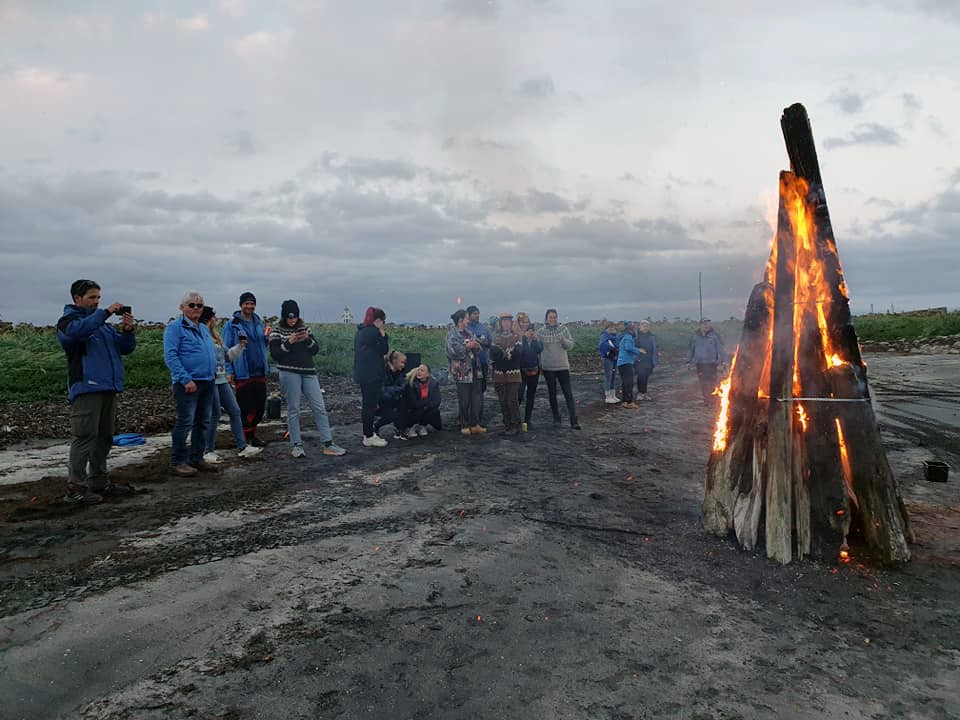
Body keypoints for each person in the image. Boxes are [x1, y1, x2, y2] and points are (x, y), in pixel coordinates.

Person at [55, 279, 137, 503]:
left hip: (108, 387)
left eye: (98, 298)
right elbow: (74, 335)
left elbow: (125, 348)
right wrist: (105, 312)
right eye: (92, 297)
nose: (96, 302)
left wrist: (128, 331)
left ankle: (98, 481)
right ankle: (76, 487)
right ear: (76, 299)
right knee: (84, 436)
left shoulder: (102, 326)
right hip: (87, 387)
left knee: (104, 437)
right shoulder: (68, 322)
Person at [269, 300, 346, 458]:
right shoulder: (276, 331)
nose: (293, 320)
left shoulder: (305, 329)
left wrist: (307, 339)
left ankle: (328, 443)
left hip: (309, 372)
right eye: (290, 317)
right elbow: (275, 354)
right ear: (284, 316)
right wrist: (289, 343)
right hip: (289, 373)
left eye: (295, 317)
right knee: (294, 409)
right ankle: (296, 445)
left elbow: (315, 350)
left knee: (319, 407)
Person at [164, 290, 217, 476]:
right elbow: (170, 356)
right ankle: (178, 461)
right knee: (185, 422)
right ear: (182, 307)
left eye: (199, 305)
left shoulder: (203, 328)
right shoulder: (174, 328)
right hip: (188, 383)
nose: (196, 308)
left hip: (207, 381)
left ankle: (197, 458)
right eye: (191, 305)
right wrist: (185, 379)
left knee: (203, 422)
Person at [200, 306, 262, 463]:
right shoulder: (201, 336)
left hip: (221, 380)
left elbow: (227, 356)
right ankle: (208, 450)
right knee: (214, 415)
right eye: (214, 317)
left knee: (235, 410)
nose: (216, 319)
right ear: (208, 319)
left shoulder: (216, 336)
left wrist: (240, 346)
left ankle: (242, 447)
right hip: (210, 380)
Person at [222, 292, 269, 447]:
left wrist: (267, 340)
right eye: (246, 303)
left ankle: (252, 435)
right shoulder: (232, 325)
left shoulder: (258, 323)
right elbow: (225, 350)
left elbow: (261, 345)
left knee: (259, 407)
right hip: (243, 372)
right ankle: (243, 440)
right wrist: (229, 371)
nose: (249, 306)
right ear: (241, 305)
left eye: (252, 303)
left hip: (259, 371)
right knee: (245, 408)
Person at [536, 308, 581, 429]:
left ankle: (574, 420)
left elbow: (570, 345)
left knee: (568, 394)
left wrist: (563, 341)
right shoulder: (540, 332)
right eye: (550, 317)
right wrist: (539, 364)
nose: (553, 319)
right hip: (548, 367)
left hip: (562, 366)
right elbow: (538, 350)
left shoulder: (564, 329)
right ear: (546, 318)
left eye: (555, 317)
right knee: (552, 394)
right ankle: (556, 418)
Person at [354, 306, 390, 447]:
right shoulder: (373, 332)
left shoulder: (361, 331)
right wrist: (383, 335)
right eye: (383, 321)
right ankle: (368, 435)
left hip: (363, 373)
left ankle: (368, 434)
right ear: (378, 320)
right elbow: (384, 350)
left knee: (367, 404)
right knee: (369, 406)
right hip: (372, 374)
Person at [446, 308, 485, 435]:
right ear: (460, 320)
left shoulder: (469, 333)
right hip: (462, 373)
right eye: (467, 318)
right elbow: (452, 352)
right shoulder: (452, 335)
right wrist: (467, 346)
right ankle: (465, 425)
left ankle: (475, 424)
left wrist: (477, 346)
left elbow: (479, 350)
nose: (468, 321)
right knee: (464, 399)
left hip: (475, 371)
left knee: (476, 398)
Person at [489, 312, 523, 435]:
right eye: (504, 321)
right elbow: (493, 353)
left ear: (511, 322)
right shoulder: (496, 337)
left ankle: (515, 425)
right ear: (501, 323)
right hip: (499, 374)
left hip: (513, 374)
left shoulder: (517, 336)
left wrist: (502, 354)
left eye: (508, 321)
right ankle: (507, 424)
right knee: (503, 401)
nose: (506, 323)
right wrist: (506, 354)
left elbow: (518, 354)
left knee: (512, 400)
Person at [514, 312, 543, 430]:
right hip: (521, 368)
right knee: (519, 394)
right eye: (523, 322)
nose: (525, 324)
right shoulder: (516, 335)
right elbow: (517, 351)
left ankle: (528, 419)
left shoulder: (534, 334)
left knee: (531, 394)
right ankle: (514, 418)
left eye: (527, 322)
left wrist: (535, 340)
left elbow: (540, 349)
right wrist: (523, 338)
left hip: (534, 367)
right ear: (519, 323)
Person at [688, 318, 726, 405]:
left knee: (712, 381)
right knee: (703, 382)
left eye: (708, 324)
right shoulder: (695, 336)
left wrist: (723, 361)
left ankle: (712, 399)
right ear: (700, 325)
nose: (706, 326)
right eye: (704, 324)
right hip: (700, 363)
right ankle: (706, 399)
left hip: (712, 363)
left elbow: (720, 349)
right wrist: (689, 361)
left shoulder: (714, 336)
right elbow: (691, 349)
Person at [465, 305, 492, 422]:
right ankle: (466, 416)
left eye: (478, 313)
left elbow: (490, 342)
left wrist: (482, 340)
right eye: (475, 313)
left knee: (481, 389)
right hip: (469, 365)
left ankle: (479, 415)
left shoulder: (483, 328)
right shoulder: (465, 328)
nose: (477, 315)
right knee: (468, 390)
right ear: (469, 315)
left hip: (483, 363)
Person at [375, 350, 410, 440]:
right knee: (391, 415)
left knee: (404, 403)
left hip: (393, 399)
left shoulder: (400, 372)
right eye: (402, 362)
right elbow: (382, 392)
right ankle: (375, 426)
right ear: (394, 361)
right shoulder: (382, 371)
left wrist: (395, 389)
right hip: (380, 402)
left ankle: (401, 429)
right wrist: (397, 389)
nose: (403, 365)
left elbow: (403, 386)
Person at [405, 364, 442, 435]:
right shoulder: (411, 383)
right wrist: (426, 402)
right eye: (418, 370)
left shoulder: (434, 383)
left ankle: (422, 426)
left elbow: (437, 401)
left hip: (426, 407)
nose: (419, 372)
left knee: (434, 411)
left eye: (422, 370)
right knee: (418, 411)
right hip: (413, 410)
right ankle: (410, 427)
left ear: (428, 374)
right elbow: (413, 403)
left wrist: (426, 406)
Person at [616, 322, 641, 409]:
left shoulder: (624, 336)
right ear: (631, 329)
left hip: (622, 362)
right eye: (634, 328)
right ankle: (629, 402)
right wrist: (639, 350)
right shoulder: (628, 337)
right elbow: (628, 348)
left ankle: (625, 401)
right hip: (626, 362)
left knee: (625, 382)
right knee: (629, 383)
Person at [634, 320, 659, 401]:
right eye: (644, 326)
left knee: (646, 377)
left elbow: (655, 347)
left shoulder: (652, 336)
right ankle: (640, 393)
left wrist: (655, 359)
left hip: (649, 359)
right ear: (640, 327)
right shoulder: (636, 337)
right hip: (640, 360)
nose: (645, 328)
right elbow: (633, 348)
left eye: (647, 326)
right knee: (641, 376)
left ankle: (644, 393)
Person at [599, 322, 620, 405]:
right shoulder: (604, 336)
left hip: (614, 357)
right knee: (608, 376)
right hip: (608, 358)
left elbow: (618, 346)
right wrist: (611, 350)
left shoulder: (615, 336)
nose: (612, 329)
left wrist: (616, 350)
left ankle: (613, 395)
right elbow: (603, 346)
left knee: (613, 376)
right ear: (606, 328)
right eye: (610, 327)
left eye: (613, 327)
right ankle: (608, 396)